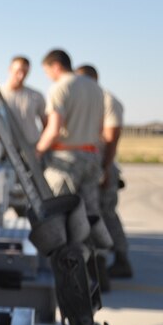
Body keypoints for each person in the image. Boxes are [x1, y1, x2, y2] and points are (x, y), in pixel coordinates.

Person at [76, 64, 133, 278]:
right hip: (94, 165)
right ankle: (110, 260)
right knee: (97, 213)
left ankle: (116, 259)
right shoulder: (93, 99)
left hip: (102, 166)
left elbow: (112, 137)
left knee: (104, 213)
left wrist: (106, 168)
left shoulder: (107, 100)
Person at [36, 49, 106, 224]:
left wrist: (37, 151)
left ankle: (66, 243)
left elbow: (54, 129)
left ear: (56, 66)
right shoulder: (96, 88)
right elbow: (100, 128)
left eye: (47, 71)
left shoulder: (59, 88)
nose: (48, 76)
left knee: (60, 212)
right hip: (92, 157)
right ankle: (91, 241)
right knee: (90, 213)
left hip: (67, 160)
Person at [0, 56, 47, 145]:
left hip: (31, 146)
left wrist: (41, 146)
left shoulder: (36, 96)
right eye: (18, 71)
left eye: (25, 73)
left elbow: (46, 123)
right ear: (10, 69)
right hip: (4, 146)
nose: (21, 76)